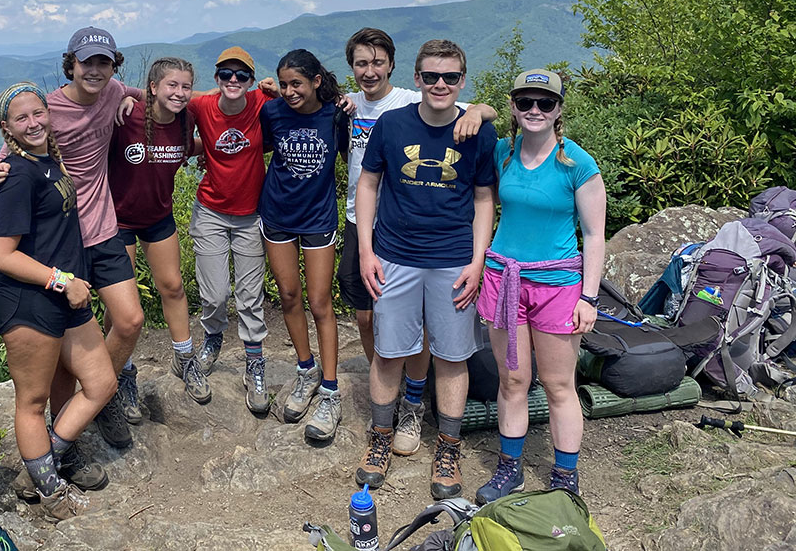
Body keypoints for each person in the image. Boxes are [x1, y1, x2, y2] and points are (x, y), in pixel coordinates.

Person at [339, 28, 495, 473]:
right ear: (417, 77)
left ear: (462, 79)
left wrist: (477, 260)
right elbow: (368, 184)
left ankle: (448, 449)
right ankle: (380, 439)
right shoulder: (393, 123)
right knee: (388, 353)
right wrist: (367, 251)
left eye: (449, 77)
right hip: (395, 255)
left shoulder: (477, 132)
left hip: (453, 259)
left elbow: (485, 198)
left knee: (450, 356)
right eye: (431, 76)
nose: (440, 84)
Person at [0, 27, 144, 450]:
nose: (95, 71)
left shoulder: (113, 90)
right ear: (70, 65)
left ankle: (101, 394)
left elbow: (157, 93)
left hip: (104, 228)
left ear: (113, 66)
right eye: (86, 62)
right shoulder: (49, 107)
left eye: (103, 63)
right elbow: (15, 151)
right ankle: (73, 423)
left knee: (129, 321)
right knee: (65, 352)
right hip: (64, 242)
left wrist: (250, 93)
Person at [0, 82, 118, 521]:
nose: (33, 123)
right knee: (32, 400)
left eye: (37, 112)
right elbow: (0, 254)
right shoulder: (16, 175)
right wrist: (63, 281)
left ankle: (42, 465)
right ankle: (52, 493)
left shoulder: (44, 160)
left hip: (64, 295)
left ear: (48, 112)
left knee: (101, 383)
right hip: (29, 301)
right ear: (7, 128)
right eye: (20, 119)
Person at [474, 69, 605, 503]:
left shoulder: (578, 164)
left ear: (559, 110)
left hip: (558, 285)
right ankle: (509, 469)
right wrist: (476, 108)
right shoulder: (501, 153)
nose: (534, 110)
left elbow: (595, 234)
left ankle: (566, 476)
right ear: (512, 106)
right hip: (504, 277)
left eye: (544, 103)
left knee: (558, 385)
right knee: (512, 381)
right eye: (526, 102)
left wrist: (589, 296)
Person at [259, 49, 351, 442]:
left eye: (296, 83)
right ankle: (305, 369)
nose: (289, 91)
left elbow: (356, 155)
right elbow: (256, 150)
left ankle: (330, 390)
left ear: (316, 80)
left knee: (320, 302)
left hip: (318, 218)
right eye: (283, 84)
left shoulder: (335, 114)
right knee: (289, 296)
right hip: (277, 214)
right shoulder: (273, 112)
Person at [108, 57, 210, 404]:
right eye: (172, 85)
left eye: (185, 86)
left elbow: (183, 146)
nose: (180, 93)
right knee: (122, 303)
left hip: (157, 216)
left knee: (173, 287)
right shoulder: (127, 116)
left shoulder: (187, 121)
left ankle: (184, 358)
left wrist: (209, 151)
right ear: (152, 87)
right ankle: (122, 372)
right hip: (117, 219)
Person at [186, 47, 275, 415]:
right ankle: (212, 338)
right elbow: (160, 95)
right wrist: (124, 100)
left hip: (251, 214)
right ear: (217, 78)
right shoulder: (203, 106)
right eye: (226, 74)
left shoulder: (261, 101)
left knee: (251, 296)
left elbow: (302, 94)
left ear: (252, 80)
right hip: (210, 210)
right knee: (216, 292)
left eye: (242, 75)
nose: (234, 81)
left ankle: (254, 361)